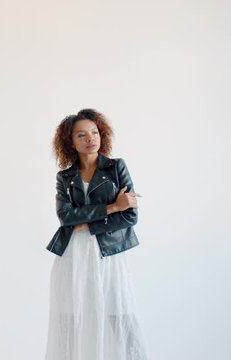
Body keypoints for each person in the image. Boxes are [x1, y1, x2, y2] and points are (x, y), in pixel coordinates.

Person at [45, 109, 148, 360]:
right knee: (71, 320)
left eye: (94, 132)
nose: (90, 139)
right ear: (71, 142)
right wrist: (112, 207)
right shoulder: (65, 177)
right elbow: (66, 217)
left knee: (121, 316)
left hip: (109, 254)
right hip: (73, 256)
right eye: (81, 135)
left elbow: (130, 216)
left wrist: (88, 225)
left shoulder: (116, 168)